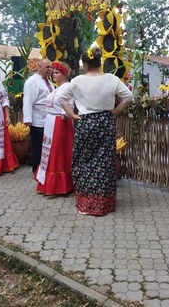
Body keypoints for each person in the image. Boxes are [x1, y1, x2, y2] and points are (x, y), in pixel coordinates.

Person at [59, 47, 133, 216]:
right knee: (104, 162)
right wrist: (116, 111)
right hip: (105, 122)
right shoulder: (111, 79)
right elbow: (128, 96)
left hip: (85, 122)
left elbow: (61, 98)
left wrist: (72, 115)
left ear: (85, 64)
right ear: (99, 62)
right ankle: (104, 204)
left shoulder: (77, 81)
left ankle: (86, 203)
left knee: (83, 161)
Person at [35, 61, 75, 195]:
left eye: (57, 73)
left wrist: (65, 115)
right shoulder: (55, 88)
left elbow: (70, 103)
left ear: (64, 74)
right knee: (49, 152)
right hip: (50, 122)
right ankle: (47, 183)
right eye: (53, 73)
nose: (54, 75)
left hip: (60, 123)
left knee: (58, 153)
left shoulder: (67, 87)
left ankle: (60, 185)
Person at [23, 58, 54, 172]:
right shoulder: (32, 81)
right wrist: (28, 119)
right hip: (37, 120)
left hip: (48, 119)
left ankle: (44, 168)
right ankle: (36, 169)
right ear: (39, 67)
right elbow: (28, 100)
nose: (50, 69)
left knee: (46, 145)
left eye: (51, 67)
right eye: (47, 67)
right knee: (37, 146)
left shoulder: (48, 81)